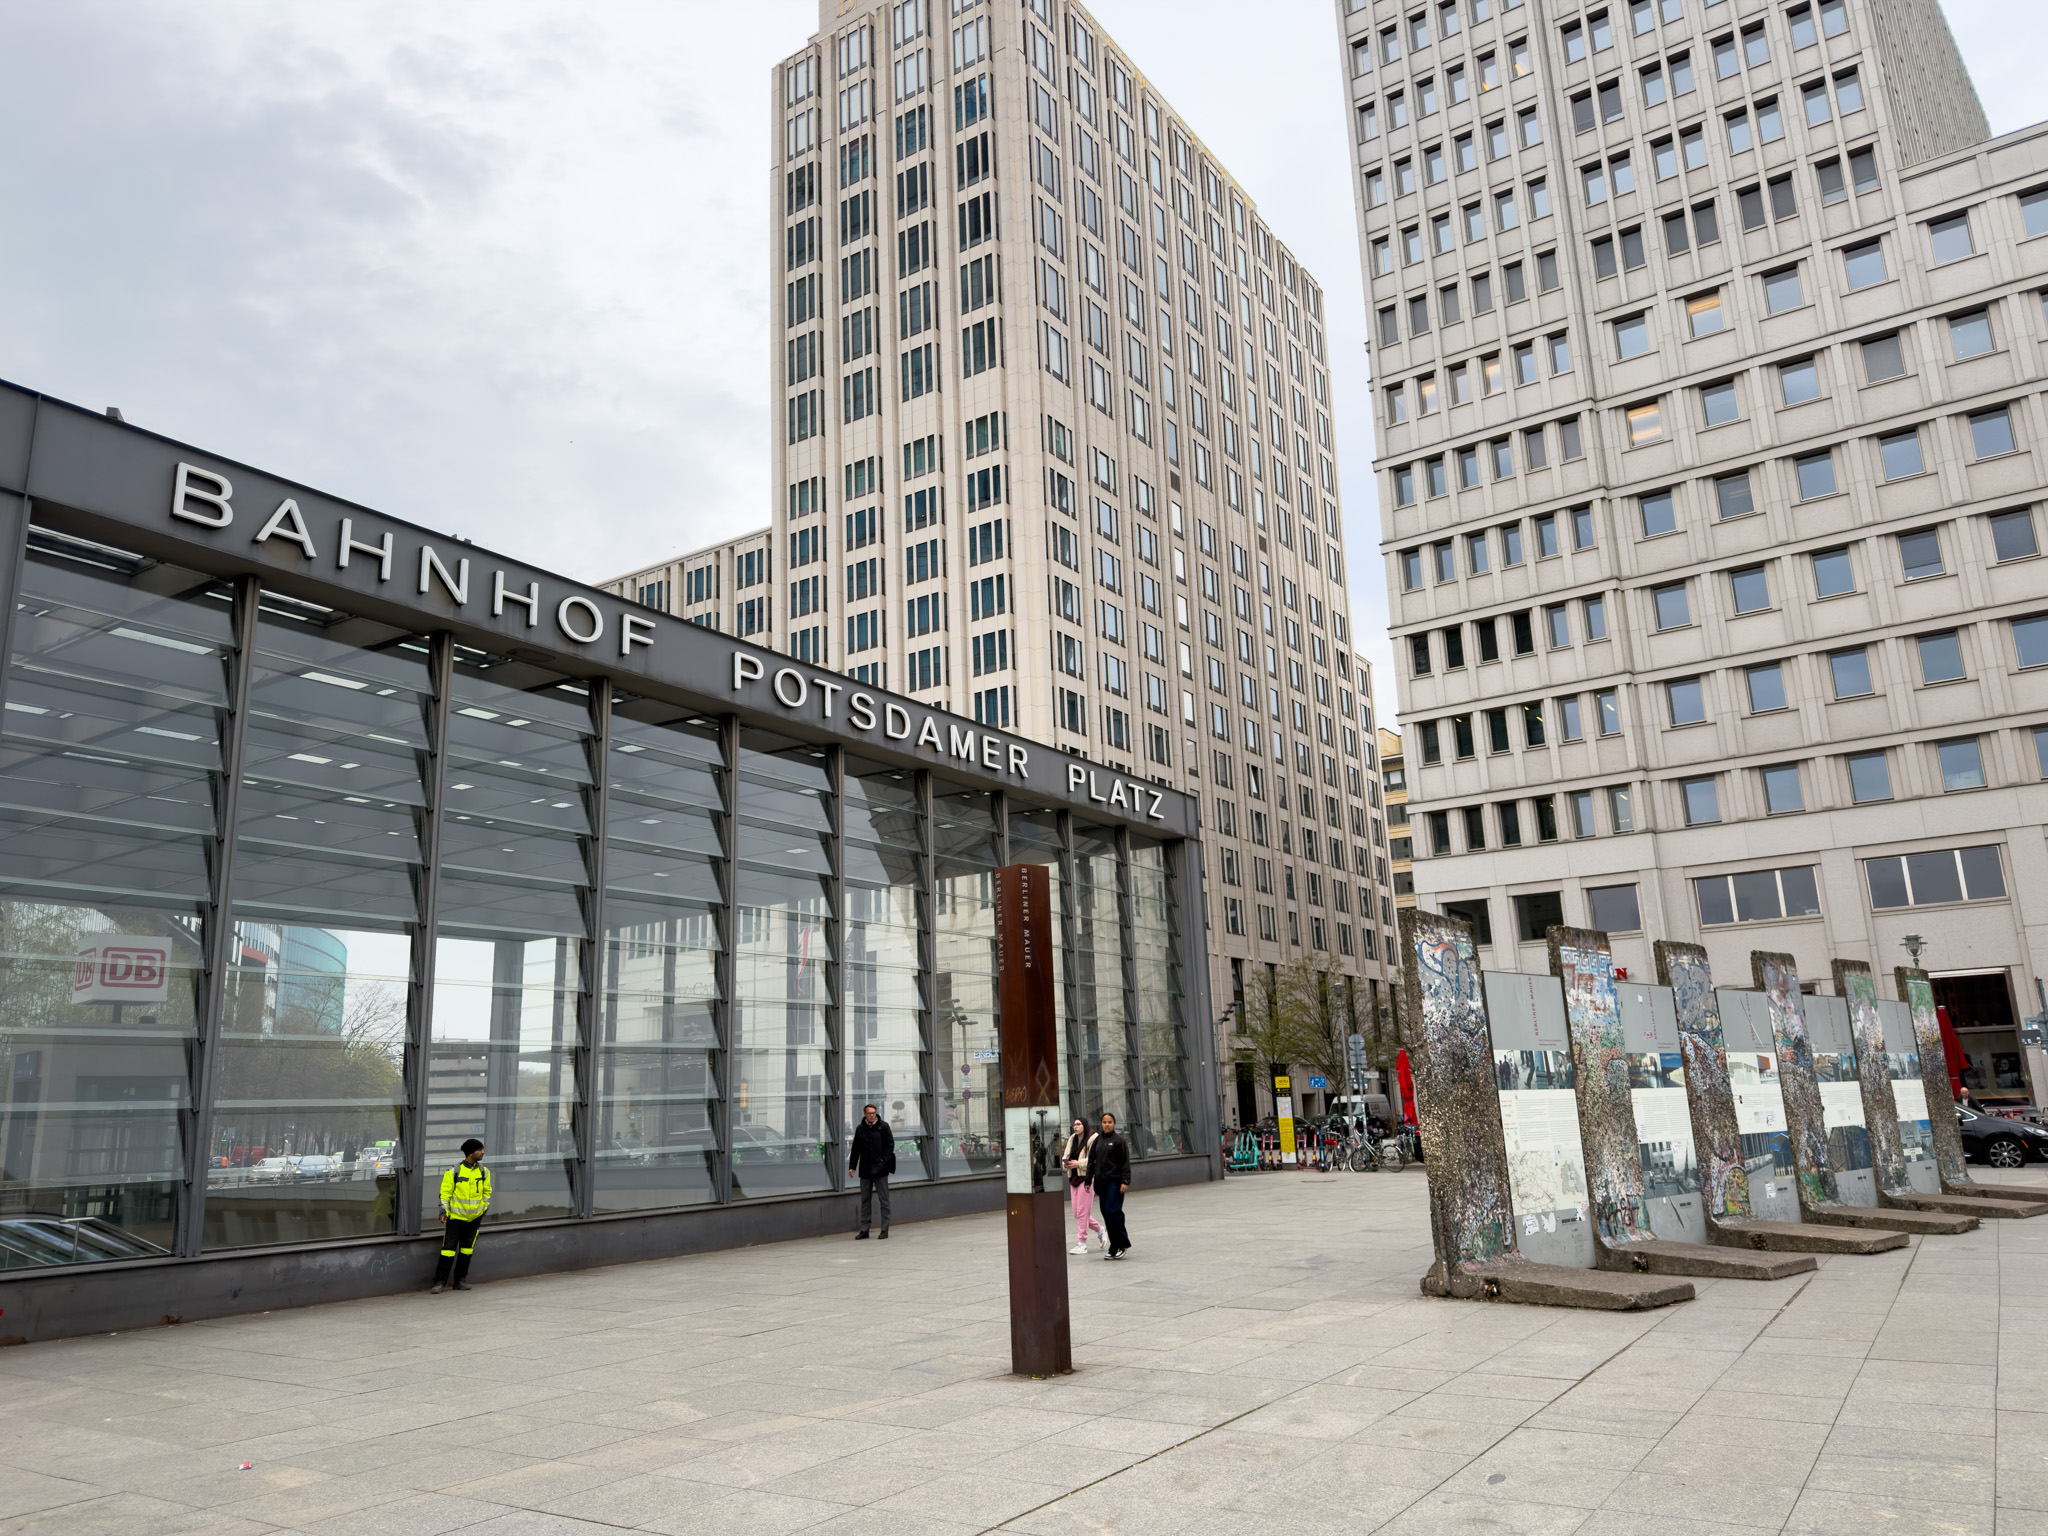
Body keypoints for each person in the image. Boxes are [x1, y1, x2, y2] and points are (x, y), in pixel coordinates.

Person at [431, 1138, 490, 1293]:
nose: (483, 1152)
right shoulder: (453, 1171)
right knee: (448, 1250)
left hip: (474, 1219)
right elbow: (445, 1194)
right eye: (480, 1149)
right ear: (471, 1152)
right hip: (455, 1218)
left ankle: (460, 1280)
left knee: (467, 1251)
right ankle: (440, 1282)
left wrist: (483, 1210)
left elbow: (487, 1193)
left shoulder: (484, 1171)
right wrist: (444, 1211)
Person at [849, 1102, 896, 1239]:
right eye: (869, 1113)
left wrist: (883, 1161)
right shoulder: (860, 1129)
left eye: (874, 1113)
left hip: (880, 1169)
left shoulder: (883, 1127)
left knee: (884, 1200)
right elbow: (855, 1149)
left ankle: (884, 1229)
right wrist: (852, 1166)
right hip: (865, 1169)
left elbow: (890, 1145)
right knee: (865, 1200)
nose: (872, 1115)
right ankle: (865, 1230)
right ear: (865, 1114)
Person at [1091, 1112, 1132, 1260]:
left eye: (1109, 1122)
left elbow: (1125, 1162)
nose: (1107, 1125)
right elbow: (1091, 1160)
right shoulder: (1098, 1140)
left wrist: (1125, 1181)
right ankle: (1114, 1246)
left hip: (1115, 1182)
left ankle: (1122, 1244)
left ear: (1114, 1124)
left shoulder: (1119, 1141)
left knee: (1112, 1212)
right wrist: (1088, 1180)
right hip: (1101, 1183)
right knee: (1106, 1214)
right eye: (1104, 1122)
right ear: (1101, 1124)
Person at [1061, 1117, 1104, 1255]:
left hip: (1087, 1178)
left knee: (1082, 1213)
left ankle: (1082, 1243)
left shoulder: (1093, 1138)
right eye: (1074, 1125)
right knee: (1077, 1213)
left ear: (1085, 1125)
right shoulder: (1072, 1138)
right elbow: (1066, 1155)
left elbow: (1095, 1159)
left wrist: (1078, 1163)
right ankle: (1100, 1230)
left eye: (1078, 1124)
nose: (1075, 1127)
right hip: (1074, 1178)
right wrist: (1066, 1164)